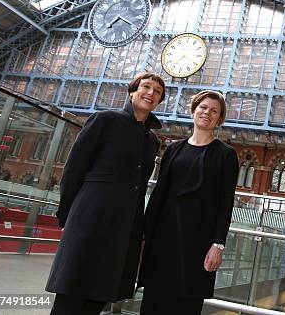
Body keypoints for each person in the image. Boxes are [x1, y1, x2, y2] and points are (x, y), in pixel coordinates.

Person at [45, 73, 165, 315]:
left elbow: (139, 186)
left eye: (158, 92)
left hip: (123, 229)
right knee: (72, 293)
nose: (151, 93)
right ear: (132, 92)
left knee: (99, 296)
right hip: (91, 219)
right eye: (146, 87)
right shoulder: (105, 120)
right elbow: (74, 168)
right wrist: (68, 215)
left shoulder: (151, 140)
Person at [138, 90, 239, 314]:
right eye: (203, 108)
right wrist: (144, 235)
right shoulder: (174, 149)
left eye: (214, 111)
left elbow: (225, 204)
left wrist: (218, 245)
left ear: (219, 119)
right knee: (153, 300)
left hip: (198, 242)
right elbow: (158, 195)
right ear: (194, 110)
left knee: (186, 303)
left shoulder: (226, 155)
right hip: (163, 238)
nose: (207, 113)